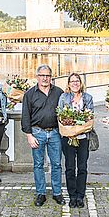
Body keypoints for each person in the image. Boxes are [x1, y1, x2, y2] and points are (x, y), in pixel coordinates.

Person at [22, 64, 64, 206]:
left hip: (55, 133)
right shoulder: (29, 94)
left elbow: (65, 112)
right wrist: (29, 135)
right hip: (37, 133)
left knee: (56, 164)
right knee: (38, 164)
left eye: (47, 75)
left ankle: (57, 192)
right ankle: (41, 193)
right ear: (37, 77)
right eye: (42, 75)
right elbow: (25, 116)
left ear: (51, 77)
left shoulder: (59, 92)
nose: (45, 78)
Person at [58, 73, 94, 208]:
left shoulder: (88, 98)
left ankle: (80, 195)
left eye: (77, 81)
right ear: (68, 84)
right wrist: (69, 132)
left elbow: (90, 118)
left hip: (83, 138)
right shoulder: (63, 97)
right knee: (70, 167)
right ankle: (72, 195)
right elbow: (60, 116)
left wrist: (77, 131)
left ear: (81, 83)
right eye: (72, 81)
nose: (75, 83)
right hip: (68, 139)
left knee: (82, 167)